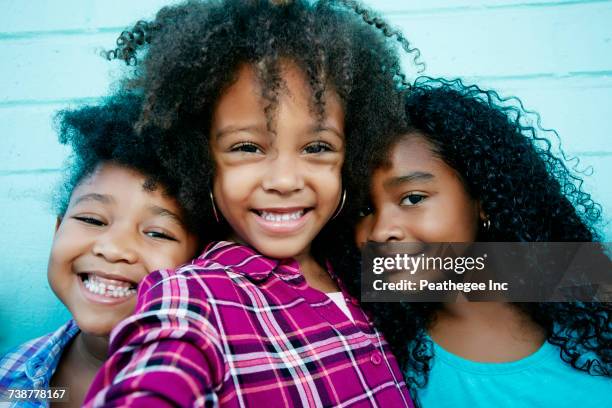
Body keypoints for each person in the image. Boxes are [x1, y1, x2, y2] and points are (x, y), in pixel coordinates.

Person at [84, 0, 417, 406]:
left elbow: (500, 277)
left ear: (351, 156)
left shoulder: (355, 263)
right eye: (247, 147)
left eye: (317, 147)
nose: (283, 181)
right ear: (202, 160)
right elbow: (156, 376)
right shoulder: (195, 296)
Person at [355, 78, 611, 407]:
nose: (379, 232)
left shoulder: (592, 292)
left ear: (483, 199)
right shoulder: (385, 359)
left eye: (413, 198)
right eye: (364, 209)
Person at [0, 93, 201, 407]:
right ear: (57, 229)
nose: (113, 248)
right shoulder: (10, 377)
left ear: (198, 262)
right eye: (91, 219)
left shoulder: (217, 390)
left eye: (157, 233)